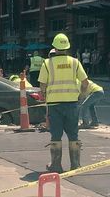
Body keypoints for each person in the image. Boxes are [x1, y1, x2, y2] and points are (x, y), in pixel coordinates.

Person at [38, 33, 88, 173]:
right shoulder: (75, 62)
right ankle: (75, 165)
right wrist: (81, 95)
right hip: (72, 103)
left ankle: (56, 165)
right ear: (67, 47)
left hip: (54, 105)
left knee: (56, 135)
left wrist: (45, 95)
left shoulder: (47, 64)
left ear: (54, 46)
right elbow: (85, 82)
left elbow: (42, 86)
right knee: (73, 135)